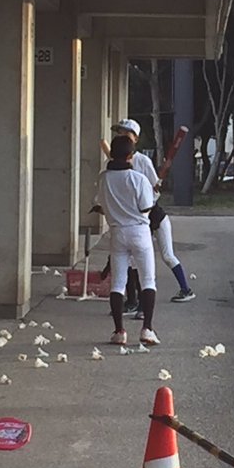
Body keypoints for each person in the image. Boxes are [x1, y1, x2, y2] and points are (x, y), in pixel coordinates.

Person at [103, 118, 195, 304]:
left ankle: (186, 289)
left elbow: (155, 190)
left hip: (154, 217)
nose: (122, 136)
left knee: (167, 255)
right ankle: (133, 302)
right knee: (130, 263)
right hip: (135, 221)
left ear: (135, 139)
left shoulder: (142, 161)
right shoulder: (112, 164)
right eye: (119, 133)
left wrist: (152, 191)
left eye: (126, 133)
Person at [98, 133, 161, 346]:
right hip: (139, 231)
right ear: (130, 155)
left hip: (116, 231)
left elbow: (100, 204)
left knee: (118, 283)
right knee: (148, 280)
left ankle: (119, 331)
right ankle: (147, 329)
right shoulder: (138, 179)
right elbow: (146, 207)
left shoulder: (103, 178)